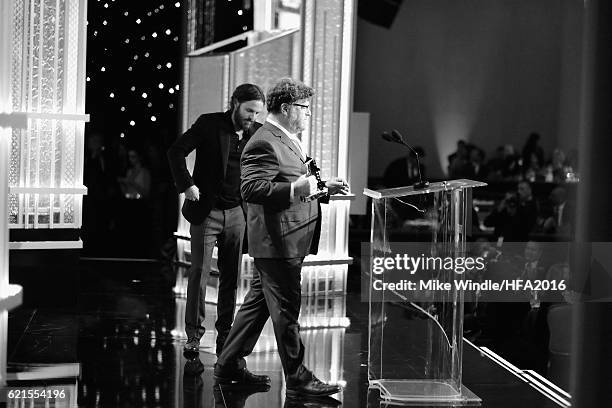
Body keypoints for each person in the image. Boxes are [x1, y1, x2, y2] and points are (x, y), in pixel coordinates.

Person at [214, 78, 349, 397]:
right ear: (287, 108)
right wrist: (295, 189)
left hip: (287, 239)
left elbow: (295, 180)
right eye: (305, 109)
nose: (309, 114)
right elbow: (251, 189)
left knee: (256, 306)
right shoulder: (264, 141)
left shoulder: (286, 138)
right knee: (287, 311)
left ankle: (228, 364)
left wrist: (323, 187)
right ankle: (299, 378)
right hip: (278, 242)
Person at [167, 84, 266, 355]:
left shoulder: (257, 133)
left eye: (257, 113)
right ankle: (194, 336)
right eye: (248, 111)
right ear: (234, 103)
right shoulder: (209, 124)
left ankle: (225, 335)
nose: (252, 118)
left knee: (230, 276)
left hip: (237, 213)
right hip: (206, 211)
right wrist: (186, 185)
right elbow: (176, 151)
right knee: (198, 273)